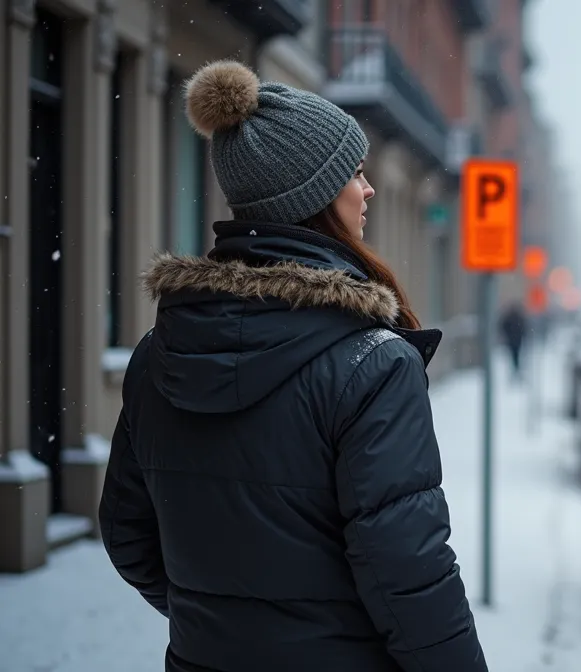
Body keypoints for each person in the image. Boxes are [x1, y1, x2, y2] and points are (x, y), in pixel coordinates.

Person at [98, 61, 486, 672]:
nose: (369, 189)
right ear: (314, 197)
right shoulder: (372, 363)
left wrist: (225, 624)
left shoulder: (157, 353)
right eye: (354, 173)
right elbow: (410, 573)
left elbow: (127, 535)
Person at [499, 300, 528, 382]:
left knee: (514, 356)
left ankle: (516, 369)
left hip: (514, 340)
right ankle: (516, 369)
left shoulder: (513, 318)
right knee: (515, 356)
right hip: (515, 340)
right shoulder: (516, 318)